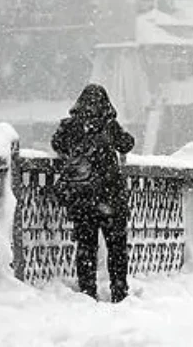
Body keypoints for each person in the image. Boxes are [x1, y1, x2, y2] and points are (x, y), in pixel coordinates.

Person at [51, 84, 136, 302]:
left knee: (86, 248)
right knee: (116, 248)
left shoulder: (71, 126)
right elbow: (127, 144)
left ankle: (88, 291)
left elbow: (57, 144)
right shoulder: (109, 126)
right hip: (110, 197)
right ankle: (119, 290)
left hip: (82, 198)